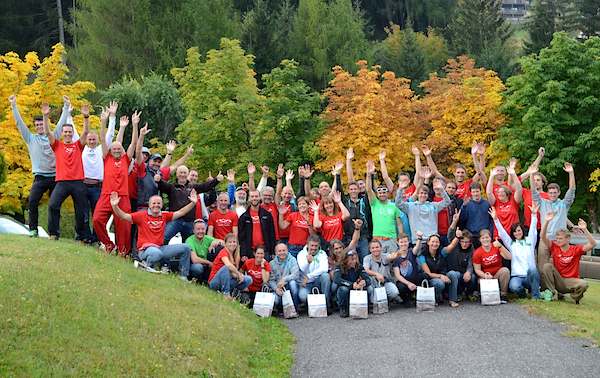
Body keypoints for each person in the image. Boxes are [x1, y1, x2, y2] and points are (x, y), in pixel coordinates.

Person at [9, 94, 72, 236]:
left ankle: (54, 233)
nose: (39, 127)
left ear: (45, 124)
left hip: (56, 177)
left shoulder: (53, 136)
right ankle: (33, 229)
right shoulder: (30, 138)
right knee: (32, 201)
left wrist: (66, 107)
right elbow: (19, 124)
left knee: (54, 205)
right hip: (40, 177)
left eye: (41, 124)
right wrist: (14, 106)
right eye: (37, 125)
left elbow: (62, 123)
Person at [110, 190, 196, 281]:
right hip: (145, 250)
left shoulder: (164, 215)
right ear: (149, 205)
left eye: (159, 203)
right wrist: (114, 206)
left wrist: (193, 203)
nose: (156, 205)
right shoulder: (141, 215)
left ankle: (183, 276)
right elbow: (124, 216)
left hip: (160, 248)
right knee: (156, 253)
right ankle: (145, 264)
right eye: (154, 203)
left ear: (162, 205)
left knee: (186, 247)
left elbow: (181, 212)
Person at [92, 112, 144, 254]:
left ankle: (122, 252)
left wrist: (134, 125)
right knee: (97, 220)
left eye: (118, 149)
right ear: (110, 150)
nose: (116, 150)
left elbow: (133, 143)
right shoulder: (106, 158)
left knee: (124, 227)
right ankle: (108, 244)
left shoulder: (125, 159)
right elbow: (102, 139)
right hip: (106, 195)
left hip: (122, 196)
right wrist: (103, 121)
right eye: (114, 149)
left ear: (121, 151)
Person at [43, 102, 92, 242]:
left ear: (72, 133)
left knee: (81, 210)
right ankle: (54, 234)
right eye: (65, 132)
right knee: (53, 205)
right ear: (62, 133)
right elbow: (47, 132)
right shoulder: (57, 145)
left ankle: (81, 236)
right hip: (62, 182)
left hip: (78, 182)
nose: (68, 134)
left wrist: (86, 117)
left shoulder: (78, 145)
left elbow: (86, 132)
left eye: (70, 132)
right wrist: (45, 116)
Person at [156, 166, 222, 244]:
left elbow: (205, 186)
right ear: (177, 174)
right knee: (164, 238)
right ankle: (162, 254)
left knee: (188, 245)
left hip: (189, 221)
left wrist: (216, 180)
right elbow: (162, 185)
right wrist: (159, 180)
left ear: (187, 174)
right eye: (181, 172)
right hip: (175, 220)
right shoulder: (172, 187)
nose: (183, 175)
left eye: (184, 173)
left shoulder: (193, 187)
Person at [540, 213, 596, 303]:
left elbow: (593, 244)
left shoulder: (576, 249)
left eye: (560, 238)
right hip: (559, 280)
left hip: (571, 281)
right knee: (547, 266)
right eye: (557, 238)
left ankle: (575, 297)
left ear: (568, 239)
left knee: (584, 284)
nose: (558, 240)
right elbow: (542, 237)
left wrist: (585, 229)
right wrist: (546, 221)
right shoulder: (555, 247)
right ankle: (553, 293)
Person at [491, 205, 541, 299]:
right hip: (517, 276)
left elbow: (533, 229)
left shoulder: (530, 240)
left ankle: (536, 296)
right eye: (515, 232)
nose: (517, 233)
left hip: (529, 276)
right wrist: (496, 219)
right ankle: (523, 294)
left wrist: (534, 215)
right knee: (514, 287)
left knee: (533, 270)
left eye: (519, 230)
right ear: (513, 234)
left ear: (522, 231)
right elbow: (502, 233)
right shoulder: (512, 244)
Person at [533, 162, 576, 269]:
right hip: (545, 239)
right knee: (542, 266)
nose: (552, 194)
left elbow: (572, 190)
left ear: (559, 193)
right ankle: (544, 286)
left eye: (555, 192)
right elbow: (533, 191)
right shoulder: (543, 203)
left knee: (561, 266)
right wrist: (531, 174)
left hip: (560, 240)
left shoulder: (564, 204)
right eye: (550, 192)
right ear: (547, 193)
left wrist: (571, 173)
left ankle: (560, 285)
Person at [396, 167, 451, 242]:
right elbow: (398, 204)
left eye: (425, 193)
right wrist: (400, 189)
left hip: (432, 241)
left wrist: (441, 189)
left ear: (427, 195)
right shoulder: (410, 206)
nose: (423, 195)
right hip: (418, 241)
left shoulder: (433, 206)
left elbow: (447, 202)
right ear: (417, 195)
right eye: (421, 193)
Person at [365, 160, 404, 254]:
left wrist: (400, 237)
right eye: (380, 193)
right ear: (377, 194)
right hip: (378, 240)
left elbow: (399, 223)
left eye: (384, 192)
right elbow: (368, 189)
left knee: (393, 264)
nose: (382, 194)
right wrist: (369, 173)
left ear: (387, 193)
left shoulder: (394, 206)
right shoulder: (375, 203)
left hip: (392, 239)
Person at [443, 215, 476, 304]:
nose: (465, 244)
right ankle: (453, 298)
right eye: (463, 241)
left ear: (470, 242)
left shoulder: (471, 248)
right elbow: (450, 234)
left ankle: (469, 294)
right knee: (453, 274)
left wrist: (468, 272)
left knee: (472, 277)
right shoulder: (455, 244)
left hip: (463, 274)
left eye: (467, 242)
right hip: (451, 273)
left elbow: (471, 262)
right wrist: (454, 221)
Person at [207, 233, 252, 299]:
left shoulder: (234, 255)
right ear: (225, 244)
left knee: (248, 279)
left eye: (234, 242)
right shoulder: (223, 251)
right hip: (214, 282)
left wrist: (239, 276)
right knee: (226, 267)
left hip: (227, 281)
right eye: (230, 242)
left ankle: (234, 292)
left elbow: (233, 274)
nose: (232, 244)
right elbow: (228, 265)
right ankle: (226, 293)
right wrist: (239, 274)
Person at [472, 229, 512, 302]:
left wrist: (501, 246)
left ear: (490, 238)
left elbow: (509, 257)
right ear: (480, 240)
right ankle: (483, 295)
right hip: (486, 276)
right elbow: (477, 269)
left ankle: (503, 295)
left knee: (505, 270)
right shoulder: (477, 252)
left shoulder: (496, 246)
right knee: (479, 281)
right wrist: (485, 275)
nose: (485, 240)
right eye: (483, 238)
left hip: (497, 274)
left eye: (487, 237)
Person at [238, 190, 276, 261]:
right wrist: (243, 253)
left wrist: (272, 252)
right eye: (252, 196)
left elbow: (272, 234)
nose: (254, 198)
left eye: (256, 196)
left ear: (260, 197)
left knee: (266, 271)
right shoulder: (244, 217)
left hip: (265, 250)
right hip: (250, 251)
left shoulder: (267, 215)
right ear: (249, 198)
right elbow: (241, 237)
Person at [486, 164, 522, 238]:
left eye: (502, 192)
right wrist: (491, 176)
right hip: (499, 236)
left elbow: (519, 189)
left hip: (514, 235)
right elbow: (489, 192)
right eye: (498, 192)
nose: (500, 194)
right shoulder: (495, 203)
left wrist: (513, 173)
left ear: (507, 193)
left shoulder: (513, 201)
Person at [297, 235, 331, 311]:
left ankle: (326, 304)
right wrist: (308, 262)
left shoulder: (322, 253)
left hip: (317, 281)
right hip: (306, 284)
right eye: (312, 245)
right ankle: (313, 306)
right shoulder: (301, 254)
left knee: (325, 276)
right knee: (303, 296)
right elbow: (302, 269)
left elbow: (324, 269)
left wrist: (309, 276)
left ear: (319, 245)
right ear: (307, 244)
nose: (314, 248)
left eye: (316, 246)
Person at [333, 250, 371, 317]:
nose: (354, 261)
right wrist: (351, 284)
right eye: (352, 259)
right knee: (343, 289)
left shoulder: (359, 266)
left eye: (355, 259)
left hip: (356, 289)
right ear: (345, 259)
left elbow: (368, 279)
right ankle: (343, 308)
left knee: (369, 288)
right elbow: (336, 279)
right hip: (344, 290)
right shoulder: (339, 266)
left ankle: (366, 305)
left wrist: (364, 282)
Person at [363, 240, 402, 304]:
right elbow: (366, 270)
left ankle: (387, 300)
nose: (375, 249)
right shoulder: (367, 258)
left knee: (394, 292)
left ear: (381, 248)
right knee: (373, 297)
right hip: (373, 283)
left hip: (385, 281)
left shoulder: (385, 256)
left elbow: (391, 256)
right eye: (373, 248)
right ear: (370, 250)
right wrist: (376, 274)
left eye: (377, 247)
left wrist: (396, 254)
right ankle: (372, 303)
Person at [417, 233, 451, 306]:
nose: (435, 244)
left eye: (437, 242)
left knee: (452, 275)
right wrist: (441, 276)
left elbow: (451, 247)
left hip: (439, 275)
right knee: (439, 283)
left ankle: (448, 297)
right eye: (432, 241)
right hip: (428, 279)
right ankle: (434, 297)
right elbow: (428, 273)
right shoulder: (422, 256)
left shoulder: (441, 253)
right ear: (428, 242)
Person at [392, 233, 424, 305]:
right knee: (400, 286)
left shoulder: (411, 252)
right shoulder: (396, 256)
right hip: (404, 282)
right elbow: (398, 275)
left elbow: (417, 248)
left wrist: (419, 238)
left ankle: (419, 296)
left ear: (408, 242)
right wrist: (408, 283)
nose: (403, 244)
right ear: (398, 243)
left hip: (414, 279)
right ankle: (406, 298)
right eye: (401, 242)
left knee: (424, 276)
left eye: (405, 241)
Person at [458, 183, 493, 248]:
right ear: (471, 193)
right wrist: (464, 207)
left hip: (484, 236)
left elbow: (491, 219)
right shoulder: (467, 204)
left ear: (480, 191)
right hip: (471, 235)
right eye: (473, 192)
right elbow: (462, 219)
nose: (476, 194)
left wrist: (490, 232)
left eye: (477, 191)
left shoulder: (487, 203)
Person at [269, 243, 301, 312]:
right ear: (276, 252)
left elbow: (296, 274)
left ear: (287, 251)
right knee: (275, 300)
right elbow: (271, 280)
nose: (282, 253)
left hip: (289, 286)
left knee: (293, 283)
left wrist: (284, 279)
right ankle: (281, 310)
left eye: (284, 250)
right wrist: (276, 289)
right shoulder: (272, 263)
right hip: (279, 288)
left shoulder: (292, 260)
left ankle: (295, 309)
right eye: (279, 251)